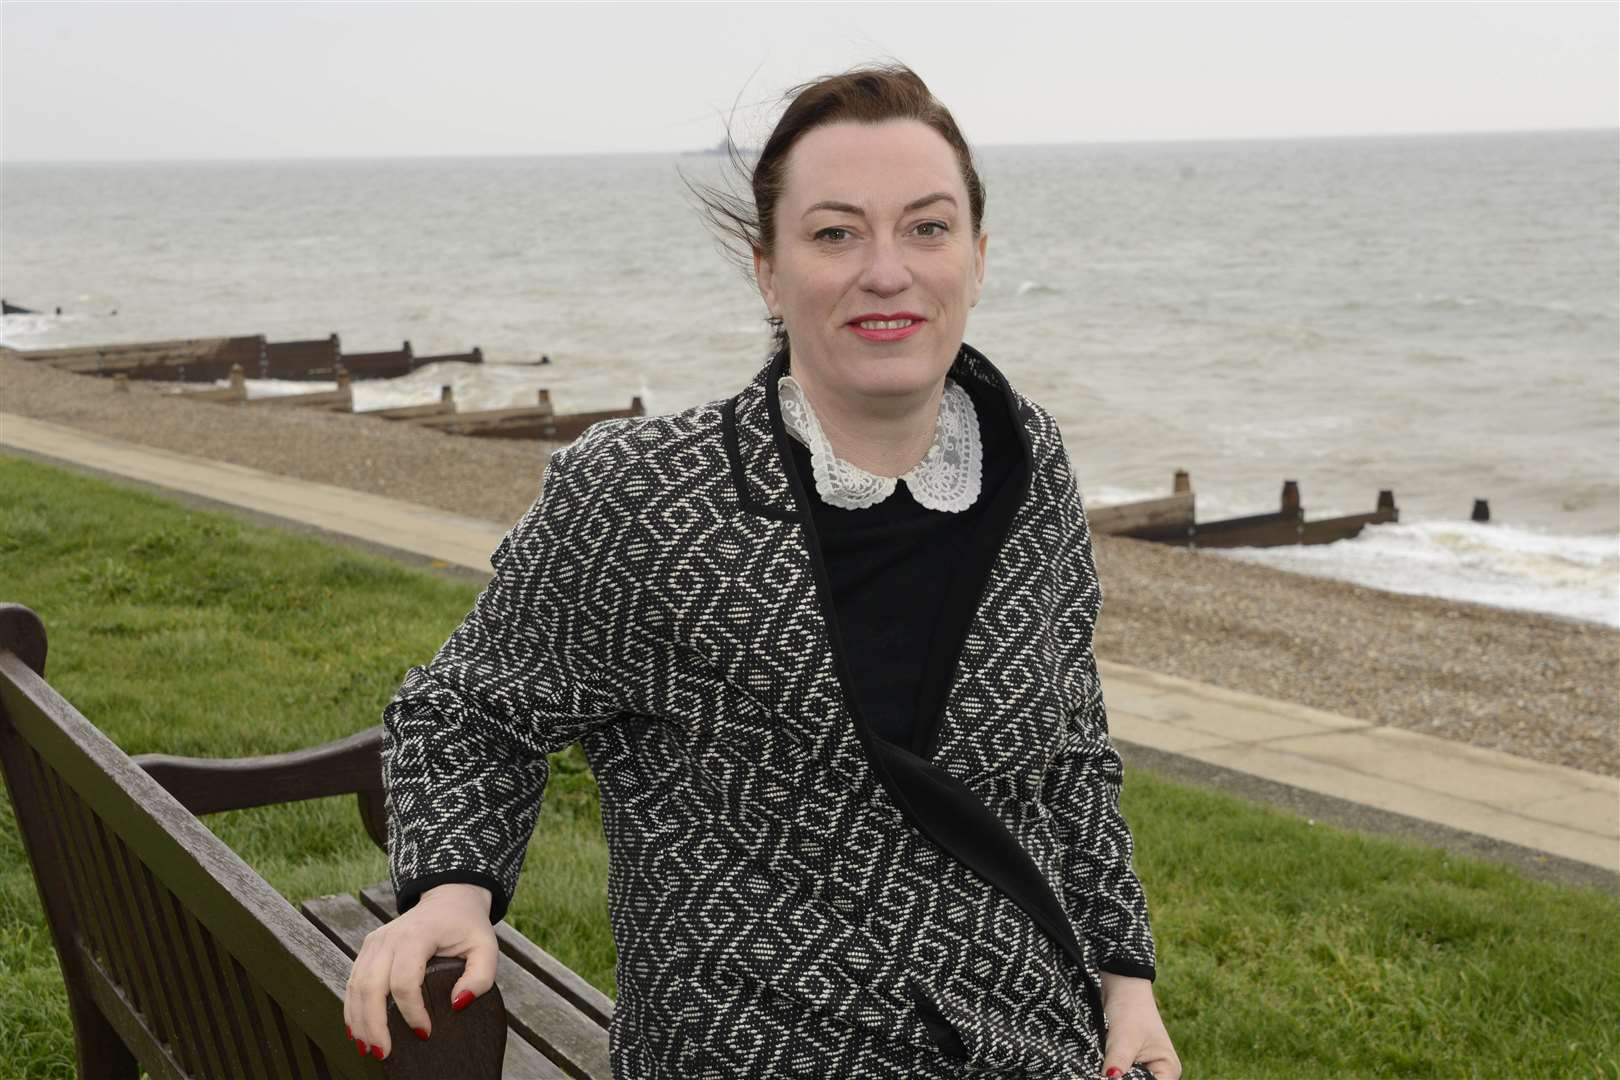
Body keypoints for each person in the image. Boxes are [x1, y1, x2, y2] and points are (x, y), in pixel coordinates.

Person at [344, 62, 1181, 1080]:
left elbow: (1071, 745)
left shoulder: (1027, 466)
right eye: (836, 233)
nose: (888, 270)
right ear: (769, 273)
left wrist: (1126, 984)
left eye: (927, 227)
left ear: (977, 255)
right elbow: (471, 710)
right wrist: (452, 893)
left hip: (1027, 1039)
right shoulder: (643, 493)